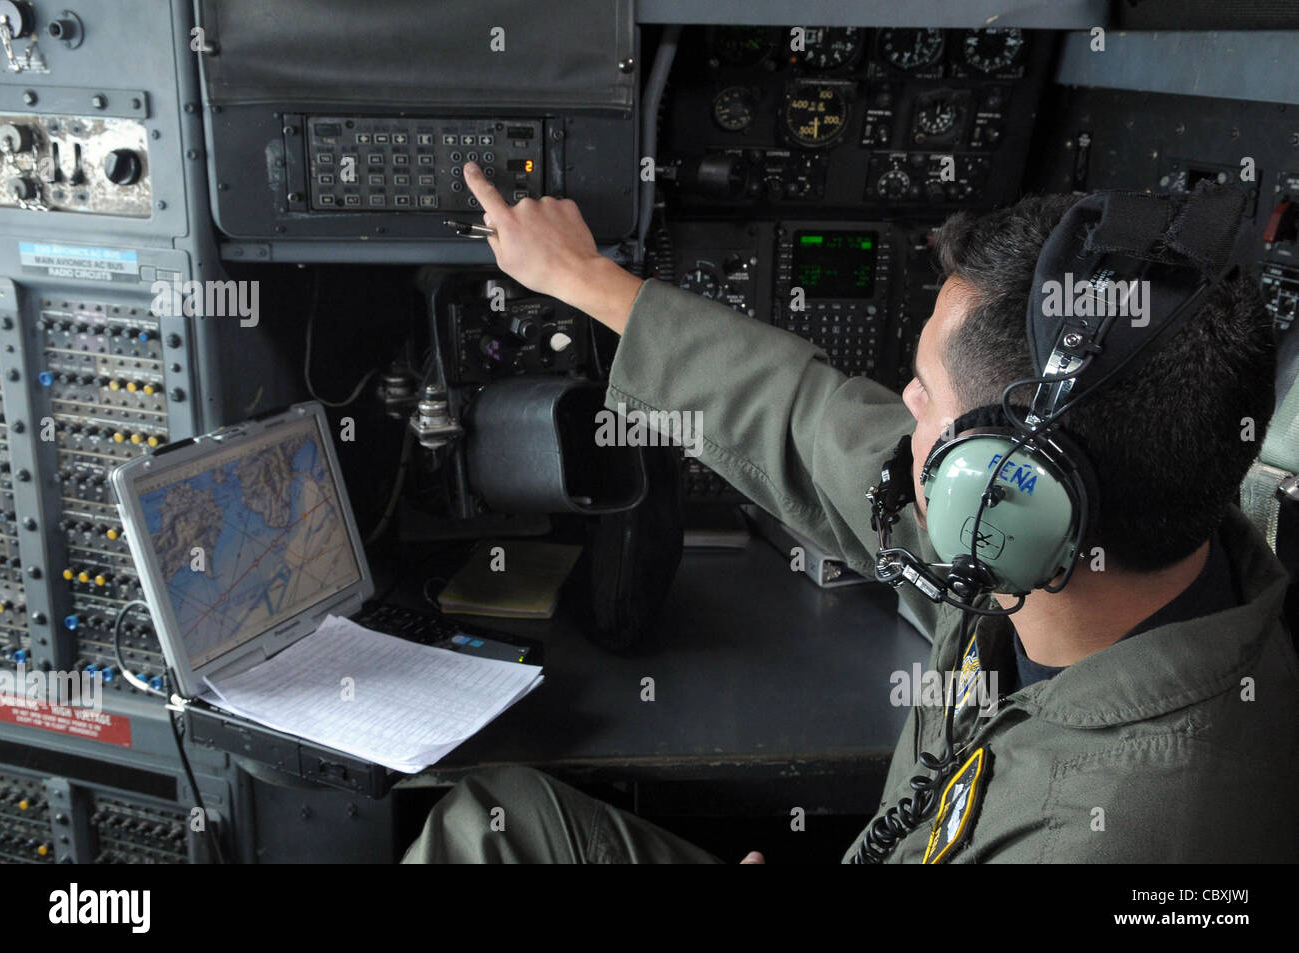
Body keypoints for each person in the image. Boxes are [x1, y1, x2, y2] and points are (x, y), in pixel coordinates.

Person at [402, 161, 1299, 863]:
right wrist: (588, 280)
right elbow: (813, 424)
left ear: (1001, 490)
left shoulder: (1139, 838)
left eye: (924, 397)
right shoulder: (1116, 549)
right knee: (497, 822)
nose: (902, 404)